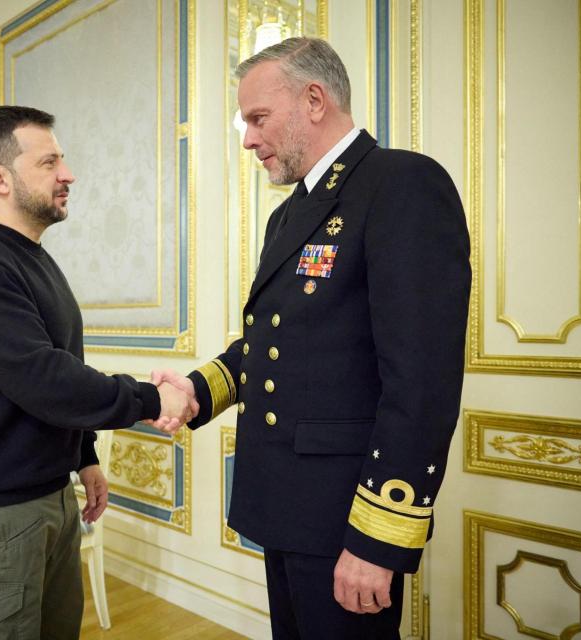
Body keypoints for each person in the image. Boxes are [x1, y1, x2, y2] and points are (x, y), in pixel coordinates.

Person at [152, 37, 470, 639]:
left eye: (258, 118)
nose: (248, 138)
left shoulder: (401, 184)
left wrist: (378, 540)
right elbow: (276, 343)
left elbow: (421, 383)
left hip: (347, 518)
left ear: (315, 99)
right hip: (287, 506)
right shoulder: (290, 213)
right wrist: (195, 390)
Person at [0, 105, 195, 639]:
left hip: (49, 495)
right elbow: (41, 376)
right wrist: (150, 400)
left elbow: (61, 367)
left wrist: (84, 456)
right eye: (49, 162)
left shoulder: (34, 257)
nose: (67, 174)